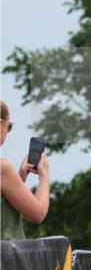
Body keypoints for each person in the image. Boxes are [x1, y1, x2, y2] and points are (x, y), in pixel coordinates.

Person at [0, 101, 49, 240]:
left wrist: (19, 177)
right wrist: (44, 174)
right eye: (9, 127)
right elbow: (38, 213)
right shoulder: (2, 168)